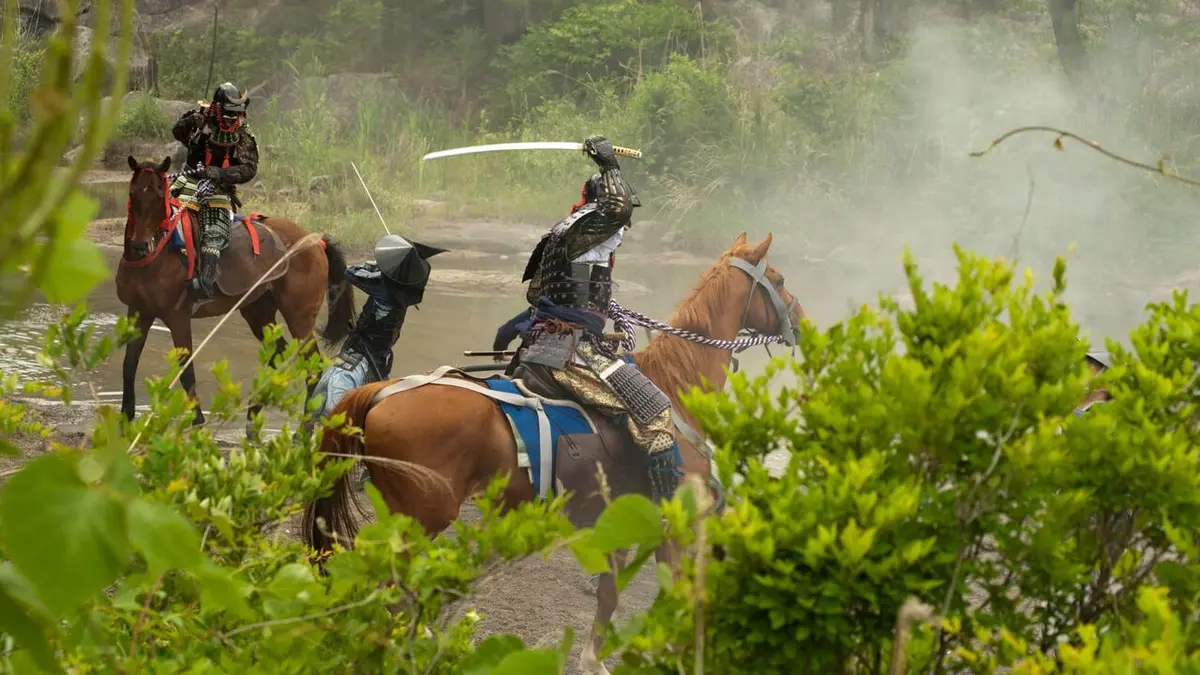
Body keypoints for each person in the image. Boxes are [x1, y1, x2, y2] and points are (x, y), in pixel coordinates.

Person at [495, 135, 680, 504]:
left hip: (544, 344)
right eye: (622, 223)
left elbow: (541, 298)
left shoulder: (564, 234)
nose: (625, 229)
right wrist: (608, 163)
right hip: (571, 351)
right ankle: (666, 512)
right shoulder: (585, 233)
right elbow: (618, 208)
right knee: (657, 416)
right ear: (599, 214)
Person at [310, 233, 448, 426]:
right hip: (378, 361)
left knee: (329, 410)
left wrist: (378, 264)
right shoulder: (407, 291)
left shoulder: (382, 286)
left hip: (358, 361)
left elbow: (351, 272)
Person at [170, 82, 259, 301]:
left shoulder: (243, 135)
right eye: (227, 113)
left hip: (219, 190)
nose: (231, 118)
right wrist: (192, 119)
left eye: (236, 114)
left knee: (214, 229)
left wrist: (219, 174)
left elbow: (249, 169)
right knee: (160, 209)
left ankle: (206, 283)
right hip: (188, 179)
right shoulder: (201, 121)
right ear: (217, 108)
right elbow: (177, 132)